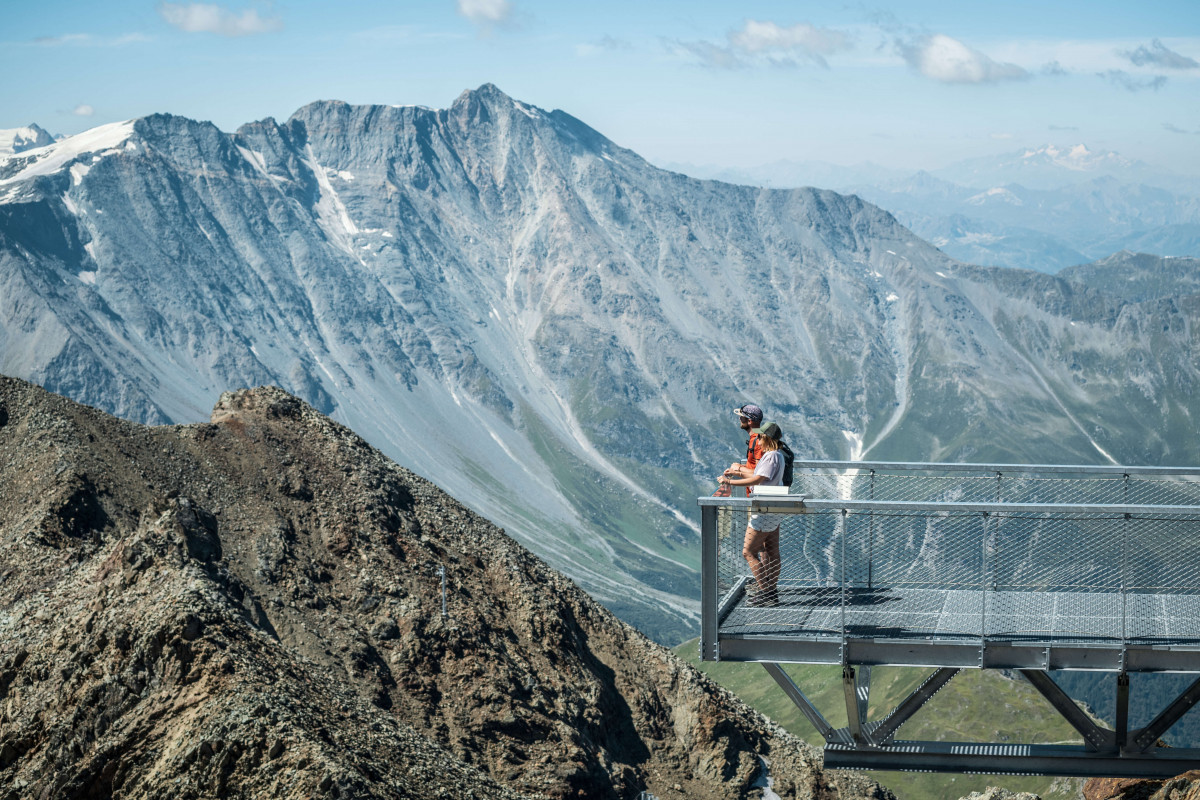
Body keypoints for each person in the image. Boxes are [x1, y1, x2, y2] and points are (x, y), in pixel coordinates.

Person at [718, 422, 784, 607]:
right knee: (772, 550)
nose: (758, 440)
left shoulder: (770, 456)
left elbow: (758, 478)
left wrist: (729, 482)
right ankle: (772, 589)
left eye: (761, 437)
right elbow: (759, 474)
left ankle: (766, 592)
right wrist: (738, 470)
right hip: (775, 505)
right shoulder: (778, 455)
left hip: (763, 508)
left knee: (748, 552)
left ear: (768, 439)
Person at [724, 404, 764, 497]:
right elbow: (755, 467)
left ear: (749, 421)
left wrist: (737, 471)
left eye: (742, 417)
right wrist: (740, 466)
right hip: (754, 494)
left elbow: (758, 475)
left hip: (757, 497)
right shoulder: (755, 438)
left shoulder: (758, 442)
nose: (739, 419)